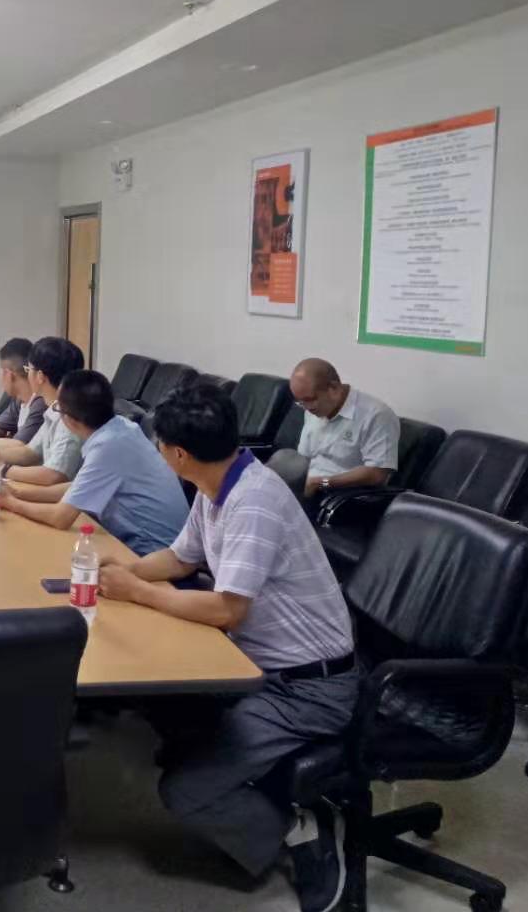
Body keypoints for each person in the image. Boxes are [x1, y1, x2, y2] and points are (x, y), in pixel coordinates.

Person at [97, 383, 356, 912]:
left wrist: (138, 592)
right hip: (257, 663)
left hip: (307, 688)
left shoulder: (253, 500)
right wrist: (125, 573)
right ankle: (239, 772)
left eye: (159, 445)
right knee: (155, 693)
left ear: (178, 454)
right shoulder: (218, 482)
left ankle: (300, 828)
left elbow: (226, 609)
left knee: (185, 792)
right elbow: (181, 557)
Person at [0, 370, 188, 556]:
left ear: (69, 420)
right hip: (157, 545)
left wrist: (11, 503)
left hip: (151, 552)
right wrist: (19, 494)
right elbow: (79, 487)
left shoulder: (108, 446)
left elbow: (60, 517)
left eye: (58, 409)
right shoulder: (121, 427)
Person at [0, 336, 85, 486]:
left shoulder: (70, 418)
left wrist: (4, 469)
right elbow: (30, 452)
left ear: (40, 377)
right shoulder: (53, 409)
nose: (27, 375)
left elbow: (54, 475)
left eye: (29, 370)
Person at [289, 358, 399, 500]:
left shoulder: (376, 415)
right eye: (300, 402)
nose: (306, 408)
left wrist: (321, 483)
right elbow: (303, 458)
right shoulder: (312, 410)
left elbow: (377, 474)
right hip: (307, 489)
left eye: (310, 400)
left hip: (340, 497)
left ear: (334, 388)